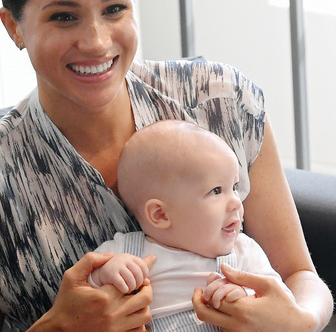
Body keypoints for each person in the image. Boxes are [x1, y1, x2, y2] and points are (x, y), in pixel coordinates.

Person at [0, 0, 333, 332]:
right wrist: (57, 328)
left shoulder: (220, 101)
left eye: (114, 9)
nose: (97, 42)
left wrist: (301, 320)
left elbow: (299, 274)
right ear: (14, 27)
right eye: (64, 16)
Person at [88, 120, 294, 331]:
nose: (236, 202)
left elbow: (283, 305)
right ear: (160, 214)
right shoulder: (125, 253)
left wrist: (246, 296)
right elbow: (83, 296)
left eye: (234, 187)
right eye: (216, 190)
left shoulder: (244, 251)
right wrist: (103, 275)